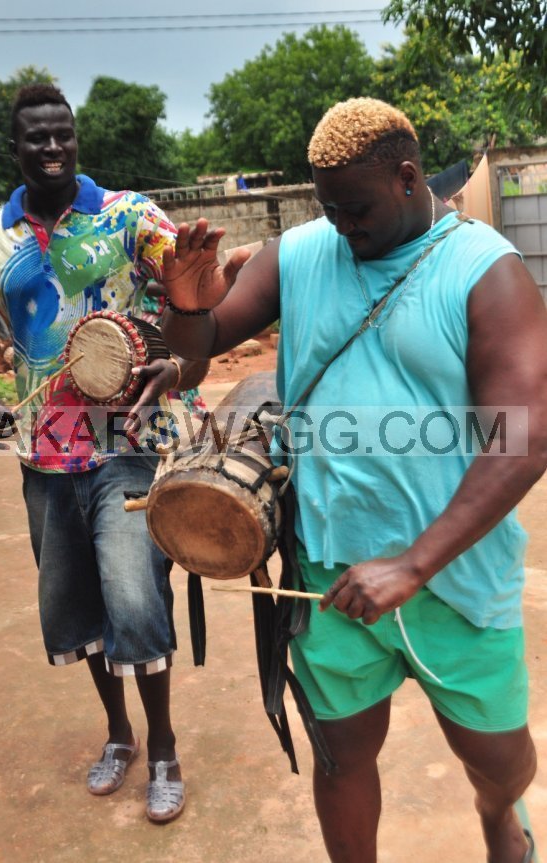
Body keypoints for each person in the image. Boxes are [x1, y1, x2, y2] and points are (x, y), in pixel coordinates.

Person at [158, 97, 547, 861]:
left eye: (354, 208)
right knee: (340, 756)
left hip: (456, 578)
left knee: (501, 761)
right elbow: (200, 349)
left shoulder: (485, 272)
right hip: (328, 574)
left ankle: (498, 814)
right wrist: (185, 305)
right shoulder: (300, 252)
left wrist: (412, 563)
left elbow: (524, 438)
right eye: (327, 207)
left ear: (407, 177)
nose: (340, 224)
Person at [0, 83, 209, 823]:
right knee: (77, 606)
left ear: (75, 139)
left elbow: (192, 300)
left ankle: (162, 747)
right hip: (42, 456)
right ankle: (118, 734)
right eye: (38, 137)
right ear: (16, 148)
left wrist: (178, 363)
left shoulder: (128, 217)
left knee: (133, 593)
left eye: (63, 134)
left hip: (128, 440)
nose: (53, 147)